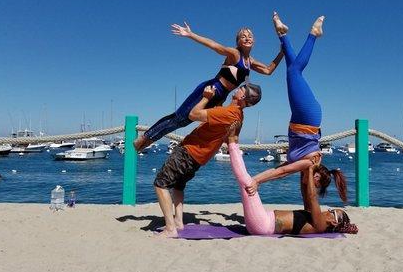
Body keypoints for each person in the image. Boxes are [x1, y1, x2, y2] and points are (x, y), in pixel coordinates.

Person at [246, 12, 347, 205]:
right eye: (315, 183)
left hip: (301, 117)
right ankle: (313, 34)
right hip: (308, 117)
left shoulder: (302, 166)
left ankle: (283, 35)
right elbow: (282, 171)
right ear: (318, 176)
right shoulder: (310, 162)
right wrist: (256, 180)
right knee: (294, 71)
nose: (311, 183)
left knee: (291, 68)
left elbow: (281, 172)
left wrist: (258, 179)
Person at [133, 22, 283, 152]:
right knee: (179, 117)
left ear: (254, 41)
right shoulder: (234, 54)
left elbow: (268, 70)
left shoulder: (250, 61)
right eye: (243, 36)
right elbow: (214, 46)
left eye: (250, 36)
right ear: (238, 41)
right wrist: (190, 34)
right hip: (212, 89)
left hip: (221, 96)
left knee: (186, 121)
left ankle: (148, 140)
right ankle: (146, 138)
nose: (247, 38)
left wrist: (283, 52)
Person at [153, 82, 262, 238]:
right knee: (178, 185)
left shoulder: (229, 113)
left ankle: (170, 228)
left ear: (243, 96)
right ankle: (178, 221)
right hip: (199, 158)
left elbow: (193, 114)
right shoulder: (239, 116)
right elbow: (230, 137)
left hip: (189, 152)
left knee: (160, 184)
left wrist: (205, 98)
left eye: (241, 88)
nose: (238, 89)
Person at [227, 126, 357, 235]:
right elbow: (305, 191)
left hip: (263, 225)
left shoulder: (320, 225)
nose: (329, 211)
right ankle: (233, 143)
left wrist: (311, 169)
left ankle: (231, 142)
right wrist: (307, 163)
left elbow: (312, 196)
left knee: (247, 183)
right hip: (263, 221)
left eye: (333, 212)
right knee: (247, 183)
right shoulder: (312, 215)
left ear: (334, 222)